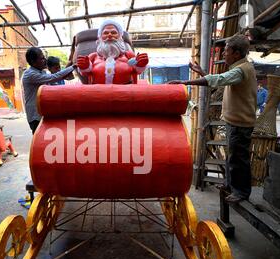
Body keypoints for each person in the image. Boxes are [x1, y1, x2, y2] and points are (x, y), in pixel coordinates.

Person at [168, 34, 256, 203]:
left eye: (227, 51)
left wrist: (186, 82)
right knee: (233, 157)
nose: (224, 54)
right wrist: (201, 73)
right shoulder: (240, 67)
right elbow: (220, 80)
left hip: (240, 123)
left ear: (236, 53)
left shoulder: (241, 70)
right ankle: (233, 187)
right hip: (236, 121)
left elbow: (220, 79)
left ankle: (241, 192)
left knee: (238, 159)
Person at [22, 47, 77, 134]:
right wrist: (73, 67)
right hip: (36, 116)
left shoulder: (41, 73)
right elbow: (53, 77)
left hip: (43, 113)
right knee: (40, 141)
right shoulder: (30, 74)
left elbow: (60, 77)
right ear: (33, 61)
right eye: (42, 58)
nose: (45, 60)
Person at [76, 19, 148, 84]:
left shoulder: (128, 55)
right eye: (106, 33)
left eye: (113, 32)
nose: (110, 35)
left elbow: (138, 70)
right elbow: (85, 73)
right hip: (98, 94)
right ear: (100, 38)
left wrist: (141, 64)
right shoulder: (93, 57)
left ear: (120, 37)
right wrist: (84, 66)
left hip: (125, 93)